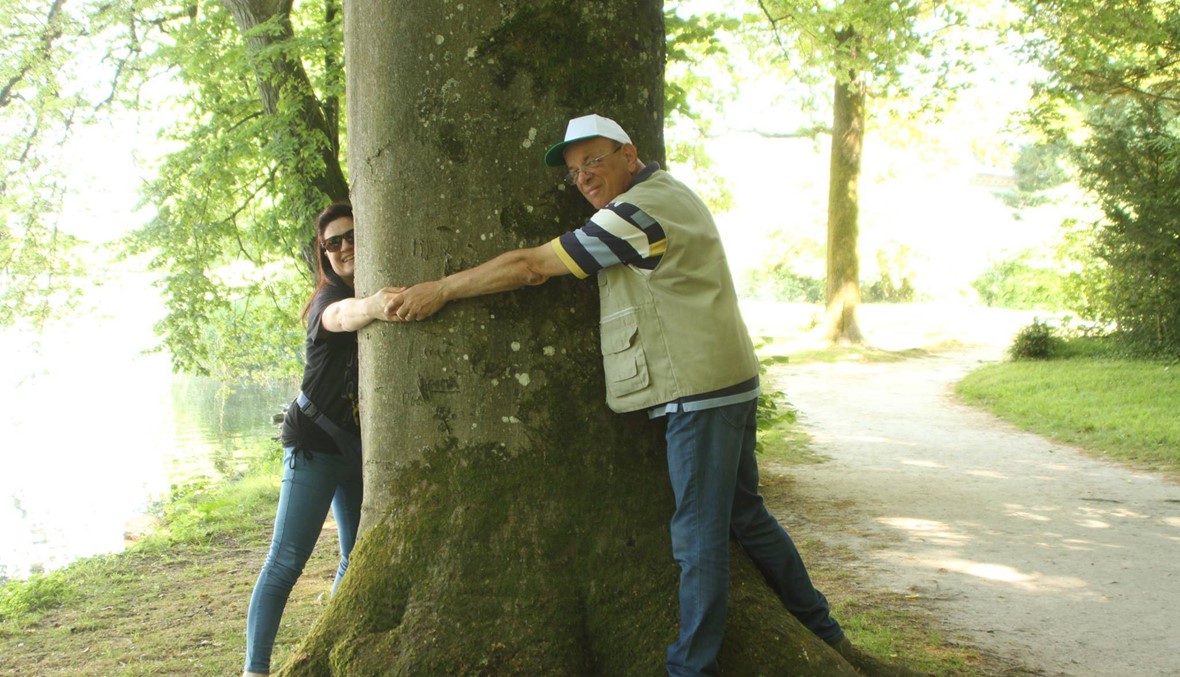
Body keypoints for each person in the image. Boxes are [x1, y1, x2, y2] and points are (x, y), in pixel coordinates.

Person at [386, 115, 919, 677]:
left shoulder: (636, 214)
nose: (584, 178)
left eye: (594, 161)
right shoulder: (667, 193)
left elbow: (530, 266)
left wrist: (440, 288)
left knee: (699, 537)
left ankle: (692, 669)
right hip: (724, 381)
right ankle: (824, 633)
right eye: (574, 172)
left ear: (628, 153)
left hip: (700, 393)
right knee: (745, 517)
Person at [242, 202, 400, 677]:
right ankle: (255, 670)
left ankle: (330, 640)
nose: (345, 247)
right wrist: (375, 305)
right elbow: (342, 317)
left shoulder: (370, 282)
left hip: (358, 452)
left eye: (352, 236)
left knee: (354, 558)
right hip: (314, 445)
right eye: (334, 243)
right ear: (324, 253)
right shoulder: (326, 300)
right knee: (285, 561)